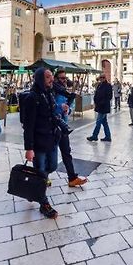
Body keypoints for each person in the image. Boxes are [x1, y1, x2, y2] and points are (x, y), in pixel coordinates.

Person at [23, 68, 61, 219]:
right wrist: (29, 148)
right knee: (41, 172)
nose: (52, 79)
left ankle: (34, 188)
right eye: (48, 77)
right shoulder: (32, 98)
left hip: (51, 139)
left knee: (52, 166)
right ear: (40, 79)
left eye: (52, 76)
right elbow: (28, 125)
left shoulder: (49, 94)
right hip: (38, 142)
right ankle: (43, 203)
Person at [53, 70, 87, 187]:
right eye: (61, 78)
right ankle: (42, 178)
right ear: (56, 78)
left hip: (63, 126)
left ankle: (72, 178)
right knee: (50, 156)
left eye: (65, 78)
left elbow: (70, 106)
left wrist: (68, 110)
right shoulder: (53, 91)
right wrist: (59, 107)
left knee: (66, 153)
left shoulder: (64, 91)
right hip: (53, 126)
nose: (64, 81)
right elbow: (49, 107)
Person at [87, 74, 113, 142]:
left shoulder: (108, 86)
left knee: (98, 122)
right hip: (99, 106)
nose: (101, 79)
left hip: (103, 107)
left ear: (105, 78)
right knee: (104, 122)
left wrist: (101, 103)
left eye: (103, 77)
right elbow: (96, 94)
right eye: (100, 78)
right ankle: (108, 136)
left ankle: (94, 136)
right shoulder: (99, 85)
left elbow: (109, 97)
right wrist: (95, 101)